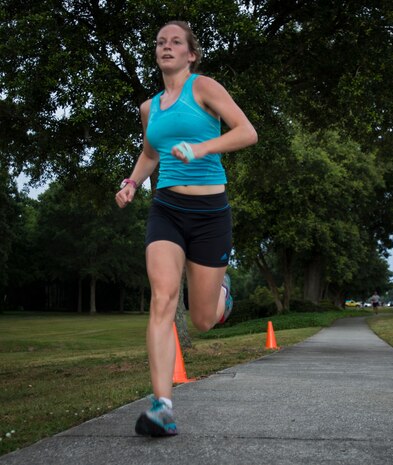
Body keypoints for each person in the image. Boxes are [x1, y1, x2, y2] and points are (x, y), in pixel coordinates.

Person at [115, 20, 257, 437]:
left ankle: (222, 294)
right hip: (167, 209)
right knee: (162, 297)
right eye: (160, 42)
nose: (167, 47)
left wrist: (201, 148)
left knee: (202, 320)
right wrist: (131, 183)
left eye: (176, 42)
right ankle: (162, 405)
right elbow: (149, 153)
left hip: (212, 212)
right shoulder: (149, 108)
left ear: (191, 54)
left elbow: (247, 133)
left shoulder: (205, 88)